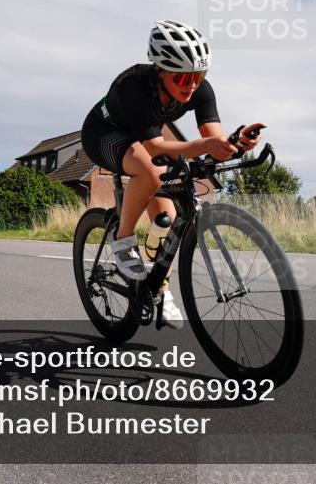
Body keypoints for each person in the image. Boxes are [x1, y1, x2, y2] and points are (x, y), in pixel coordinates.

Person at [81, 20, 263, 328]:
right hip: (105, 134)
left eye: (198, 76)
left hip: (144, 138)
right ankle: (122, 241)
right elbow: (154, 147)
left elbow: (210, 138)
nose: (191, 85)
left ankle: (160, 290)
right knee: (150, 171)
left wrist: (233, 144)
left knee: (165, 219)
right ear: (159, 69)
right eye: (181, 77)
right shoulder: (133, 85)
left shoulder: (200, 90)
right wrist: (208, 144)